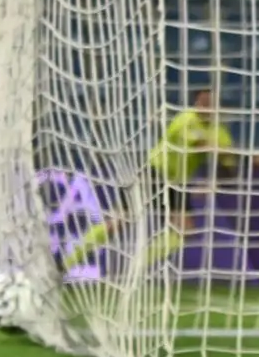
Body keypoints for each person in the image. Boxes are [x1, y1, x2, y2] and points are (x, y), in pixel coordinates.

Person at [61, 86, 231, 273]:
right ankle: (69, 261)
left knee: (185, 231)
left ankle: (138, 266)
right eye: (204, 102)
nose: (208, 107)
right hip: (153, 174)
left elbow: (230, 165)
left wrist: (212, 182)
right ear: (196, 103)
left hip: (177, 183)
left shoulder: (220, 132)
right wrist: (222, 151)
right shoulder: (185, 120)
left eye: (212, 103)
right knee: (118, 222)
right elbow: (203, 145)